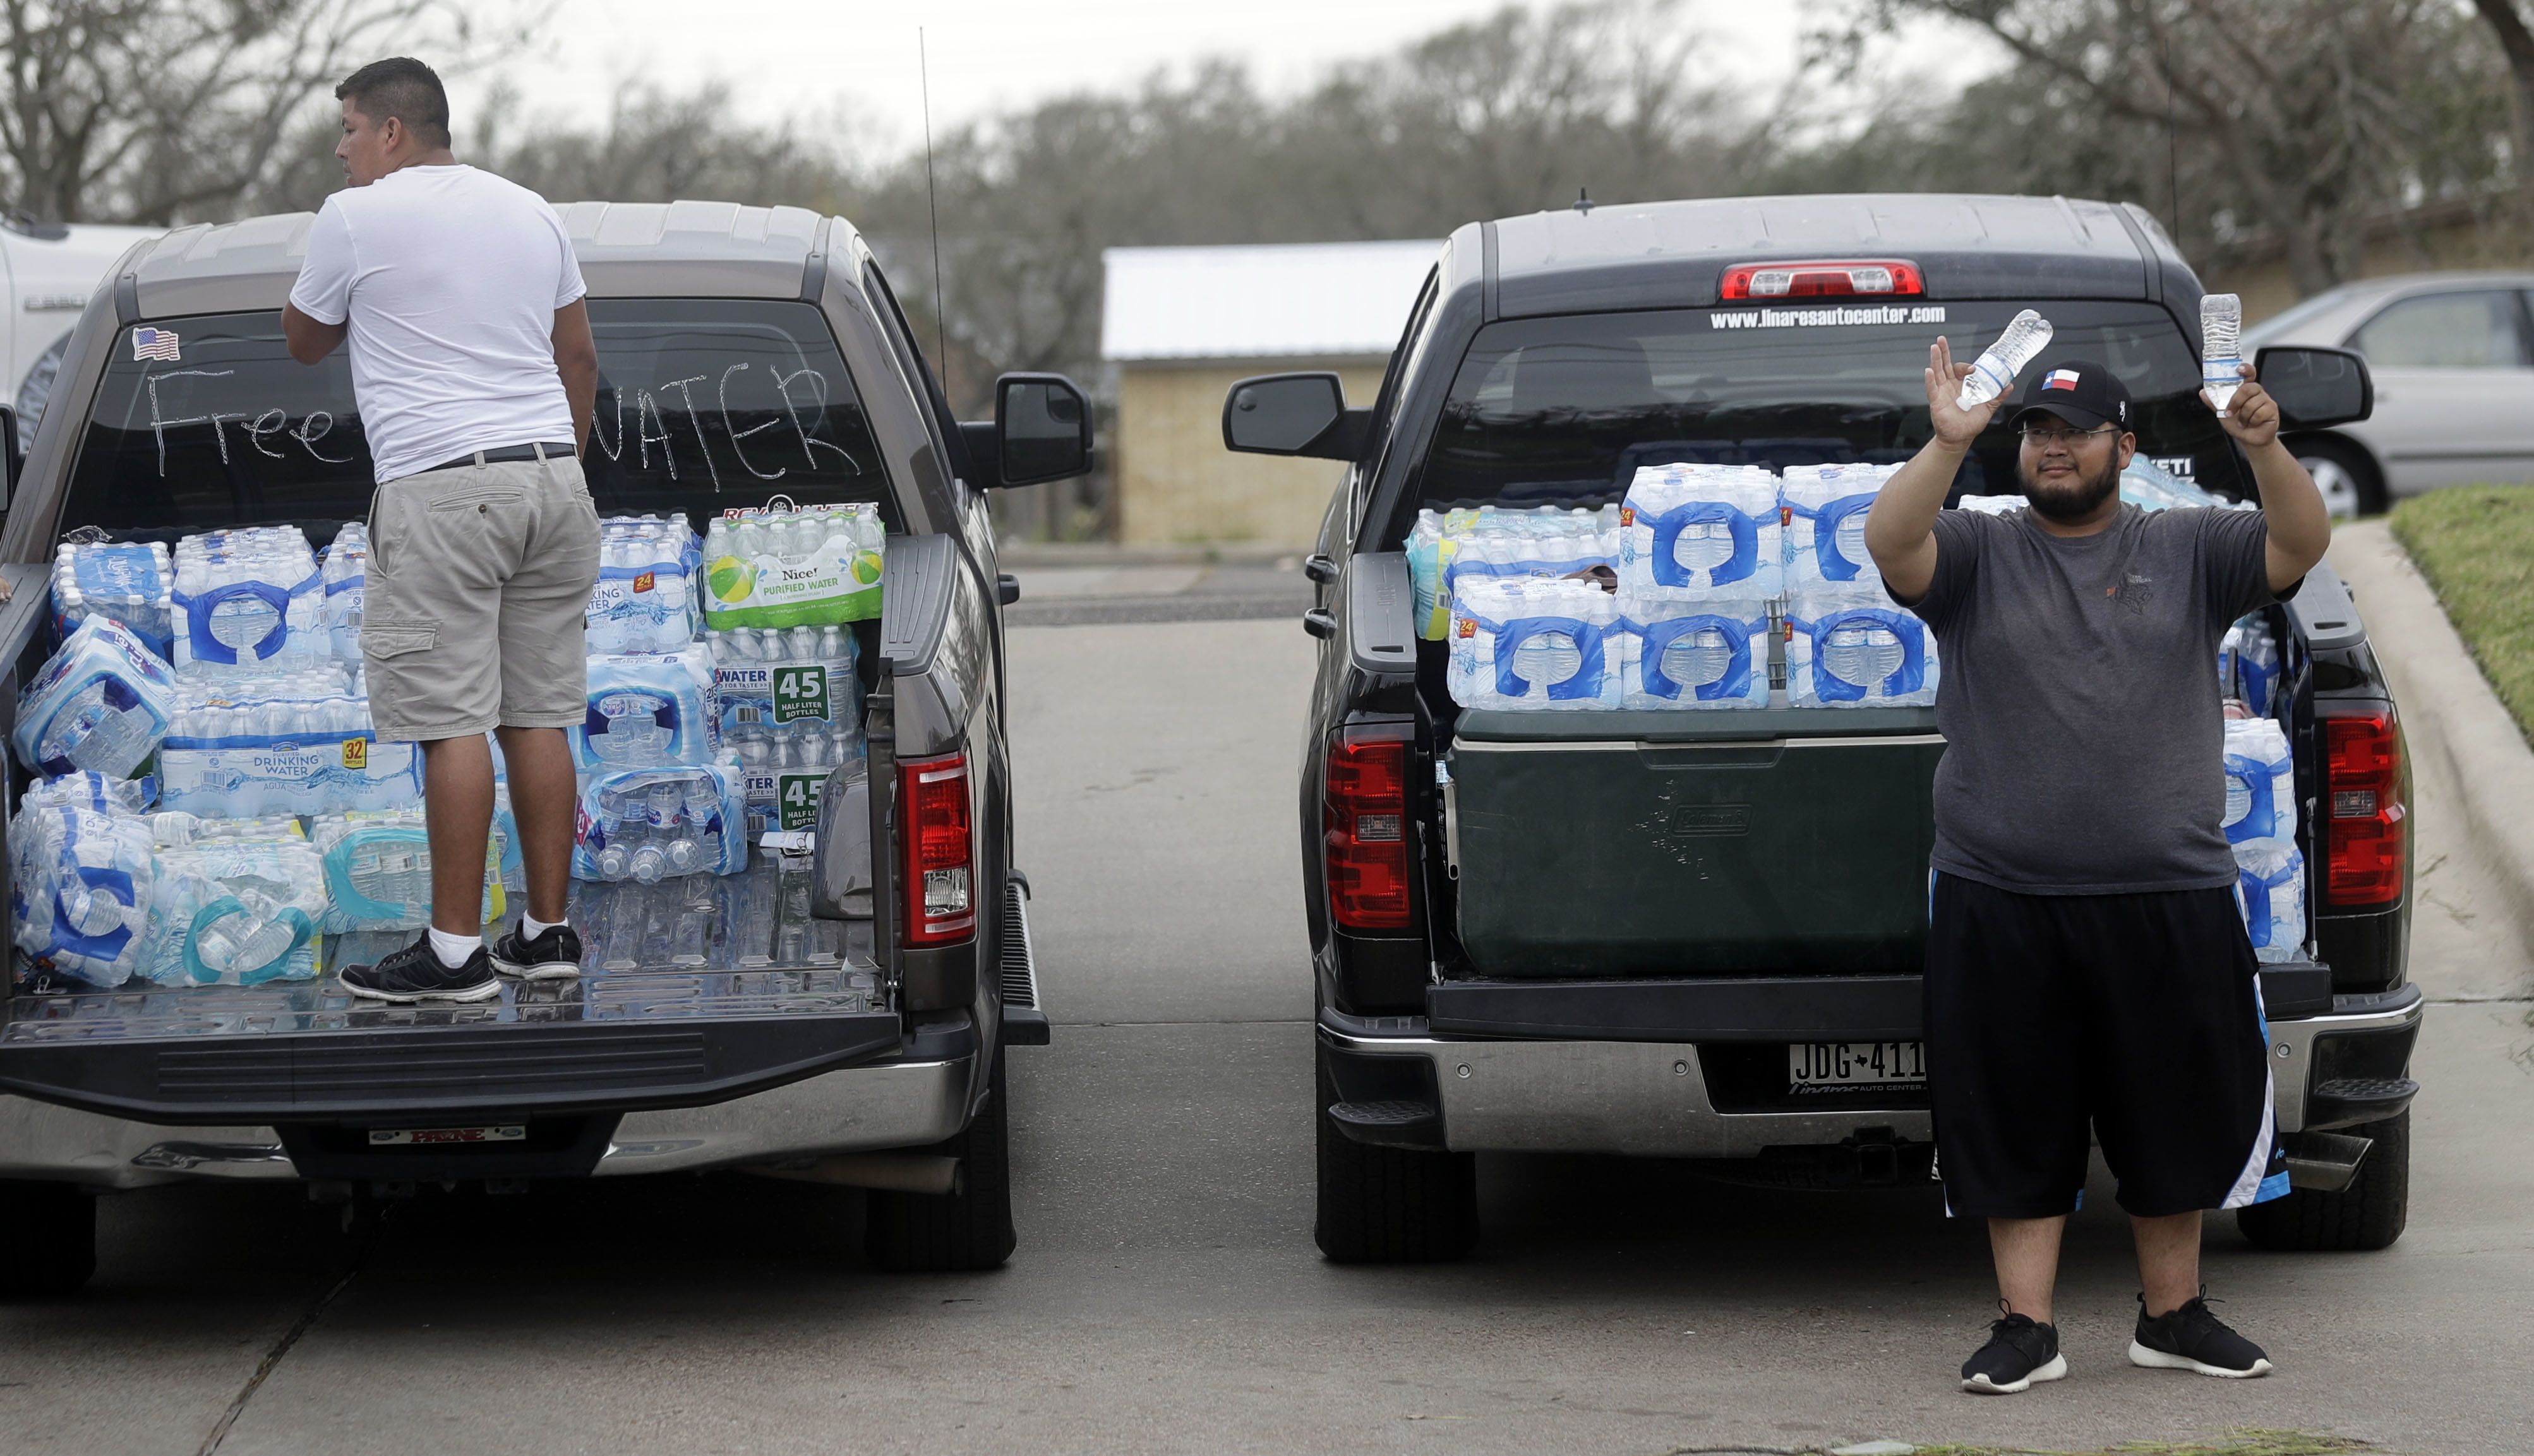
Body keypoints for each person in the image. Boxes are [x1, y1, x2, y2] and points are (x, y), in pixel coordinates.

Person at [1862, 340, 2330, 1394]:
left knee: (2172, 1108)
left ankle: (2173, 1314)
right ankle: (2026, 1327)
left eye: (2074, 433)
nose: (2052, 448)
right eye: (2037, 431)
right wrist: (1946, 445)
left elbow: (2302, 538)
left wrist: (2263, 446)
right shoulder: (1979, 553)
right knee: (2015, 1112)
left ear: (2127, 446)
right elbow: (1890, 544)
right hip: (2002, 894)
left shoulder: (2193, 547)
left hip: (2170, 892)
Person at [284, 57, 600, 1001]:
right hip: (552, 480)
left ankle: (455, 953)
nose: (339, 150)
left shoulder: (354, 217)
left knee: (450, 723)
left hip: (443, 493)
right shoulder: (533, 209)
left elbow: (303, 340)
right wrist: (565, 467)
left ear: (390, 131)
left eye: (346, 129)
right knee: (537, 713)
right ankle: (546, 935)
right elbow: (577, 353)